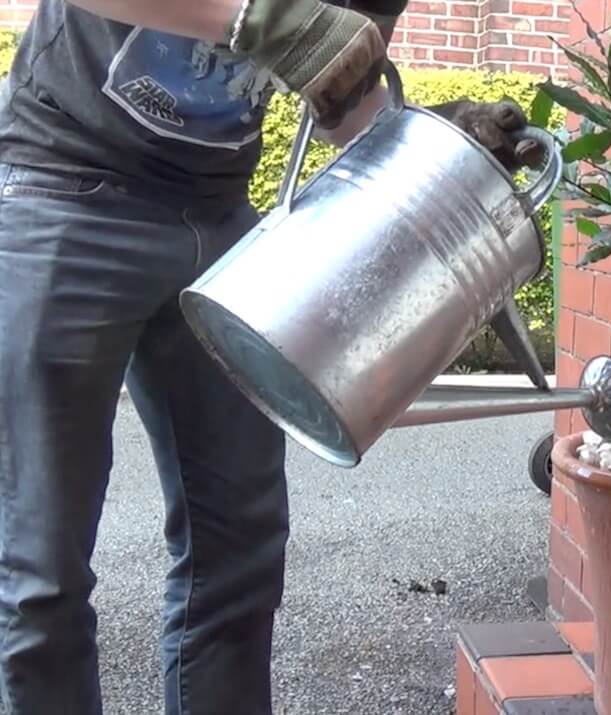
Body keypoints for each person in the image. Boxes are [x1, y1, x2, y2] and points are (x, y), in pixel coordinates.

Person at [0, 0, 541, 713]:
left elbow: (344, 99)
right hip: (68, 185)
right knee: (42, 574)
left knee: (238, 555)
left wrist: (439, 144)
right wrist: (261, 17)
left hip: (221, 216)